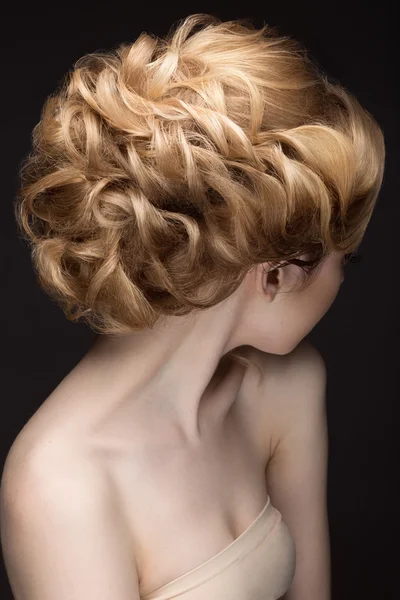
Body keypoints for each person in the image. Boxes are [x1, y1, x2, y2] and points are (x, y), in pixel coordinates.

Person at [0, 13, 385, 600]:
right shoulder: (62, 485)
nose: (343, 281)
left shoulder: (286, 386)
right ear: (279, 273)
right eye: (343, 259)